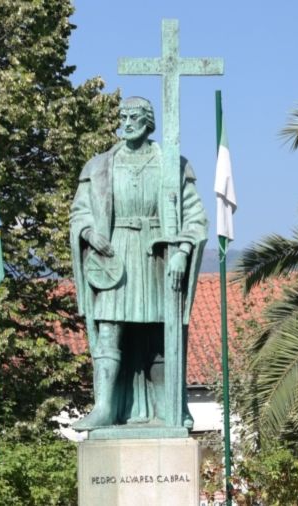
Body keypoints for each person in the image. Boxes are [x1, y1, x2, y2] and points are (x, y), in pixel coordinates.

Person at [70, 96, 207, 431]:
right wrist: (88, 231)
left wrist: (183, 251)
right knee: (109, 330)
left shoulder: (172, 164)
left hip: (158, 257)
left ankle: (169, 408)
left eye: (134, 117)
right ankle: (104, 407)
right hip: (114, 256)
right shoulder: (99, 165)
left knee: (163, 334)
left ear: (149, 122)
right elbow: (79, 212)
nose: (126, 122)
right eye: (123, 116)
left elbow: (196, 218)